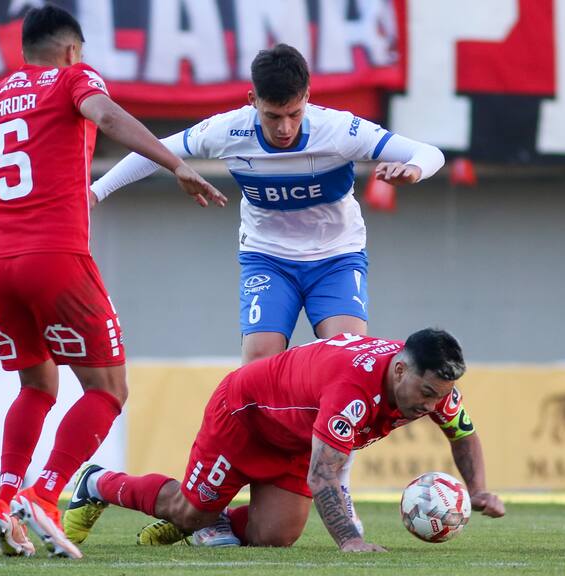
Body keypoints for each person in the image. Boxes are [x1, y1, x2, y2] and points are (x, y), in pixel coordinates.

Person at [89, 43, 446, 535]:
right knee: (257, 373)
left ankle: (338, 499)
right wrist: (93, 193)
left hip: (336, 260)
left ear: (308, 99)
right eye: (273, 115)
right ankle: (212, 502)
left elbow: (431, 152)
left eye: (294, 113)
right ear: (252, 99)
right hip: (267, 260)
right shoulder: (227, 130)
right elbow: (153, 151)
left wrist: (415, 169)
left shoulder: (338, 128)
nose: (284, 127)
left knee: (349, 369)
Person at [0, 5, 226, 559]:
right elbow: (105, 118)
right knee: (108, 391)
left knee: (37, 386)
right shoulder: (73, 78)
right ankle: (47, 493)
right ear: (72, 50)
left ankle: (5, 501)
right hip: (56, 258)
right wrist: (172, 162)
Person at [63, 329, 505, 552]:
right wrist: (349, 539)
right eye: (426, 395)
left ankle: (214, 521)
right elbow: (325, 473)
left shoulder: (431, 387)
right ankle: (97, 483)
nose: (431, 407)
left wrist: (480, 488)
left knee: (275, 537)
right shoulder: (352, 389)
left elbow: (462, 433)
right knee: (188, 510)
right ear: (400, 371)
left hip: (296, 438)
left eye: (440, 397)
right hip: (245, 416)